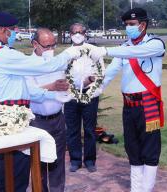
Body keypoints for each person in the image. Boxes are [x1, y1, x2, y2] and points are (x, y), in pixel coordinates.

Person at [0, 12, 81, 192]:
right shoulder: (5, 56)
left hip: (1, 118)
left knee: (4, 175)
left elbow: (27, 90)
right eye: (12, 30)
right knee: (16, 177)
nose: (14, 34)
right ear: (3, 30)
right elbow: (48, 65)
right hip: (12, 121)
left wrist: (54, 96)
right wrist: (70, 52)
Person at [89, 8, 166, 192]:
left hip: (148, 104)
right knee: (132, 148)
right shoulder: (124, 48)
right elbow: (111, 71)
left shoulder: (155, 44)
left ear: (143, 25)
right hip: (129, 105)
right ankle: (136, 189)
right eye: (126, 25)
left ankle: (146, 189)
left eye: (131, 25)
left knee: (150, 149)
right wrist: (95, 89)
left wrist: (105, 50)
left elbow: (138, 52)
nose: (128, 28)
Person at [26, 28, 69, 192]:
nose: (51, 50)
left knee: (58, 163)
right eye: (46, 46)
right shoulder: (27, 65)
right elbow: (29, 92)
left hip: (58, 119)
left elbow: (65, 85)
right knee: (39, 164)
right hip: (37, 121)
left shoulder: (57, 62)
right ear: (35, 44)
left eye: (53, 46)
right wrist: (51, 87)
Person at [64, 23, 100, 173]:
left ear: (85, 33)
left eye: (80, 32)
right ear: (70, 34)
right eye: (74, 32)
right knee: (72, 129)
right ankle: (75, 160)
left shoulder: (93, 51)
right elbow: (62, 74)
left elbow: (100, 74)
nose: (77, 34)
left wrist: (90, 82)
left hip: (89, 95)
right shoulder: (66, 53)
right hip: (71, 96)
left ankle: (90, 160)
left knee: (90, 130)